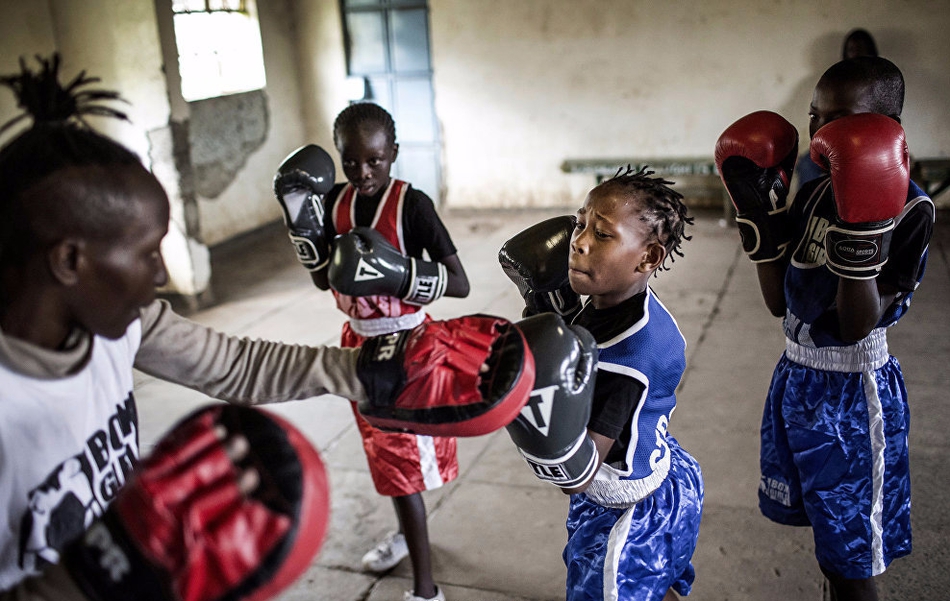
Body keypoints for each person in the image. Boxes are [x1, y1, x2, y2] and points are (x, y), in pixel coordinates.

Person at [0, 55, 534, 601]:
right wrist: (84, 580)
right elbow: (328, 278)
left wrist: (370, 369)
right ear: (69, 261)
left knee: (404, 471)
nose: (161, 275)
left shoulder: (124, 326)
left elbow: (234, 365)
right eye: (144, 253)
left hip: (396, 331)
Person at [715, 55, 935, 601]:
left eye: (839, 120)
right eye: (816, 117)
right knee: (826, 537)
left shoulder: (910, 209)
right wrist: (760, 219)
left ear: (890, 130)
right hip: (797, 378)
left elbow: (857, 324)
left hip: (855, 397)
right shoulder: (813, 194)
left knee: (854, 556)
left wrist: (864, 230)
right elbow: (776, 303)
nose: (821, 133)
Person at [273, 102, 469, 601]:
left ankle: (426, 592)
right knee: (385, 458)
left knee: (401, 465)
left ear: (394, 154)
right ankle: (407, 537)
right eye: (352, 161)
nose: (363, 172)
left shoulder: (413, 205)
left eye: (375, 161)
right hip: (357, 342)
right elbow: (324, 280)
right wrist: (302, 221)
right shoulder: (334, 201)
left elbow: (462, 284)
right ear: (340, 157)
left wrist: (400, 273)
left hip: (407, 344)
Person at [499, 168, 704, 600]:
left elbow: (578, 473)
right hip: (666, 470)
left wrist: (523, 402)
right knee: (652, 583)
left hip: (624, 510)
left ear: (647, 258)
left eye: (603, 234)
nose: (579, 241)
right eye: (580, 223)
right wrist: (549, 311)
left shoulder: (626, 363)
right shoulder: (626, 300)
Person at [794, 29, 880, 189]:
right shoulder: (836, 81)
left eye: (862, 49)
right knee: (807, 163)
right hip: (838, 142)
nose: (857, 54)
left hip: (869, 144)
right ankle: (806, 210)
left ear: (871, 51)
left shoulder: (879, 81)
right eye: (852, 49)